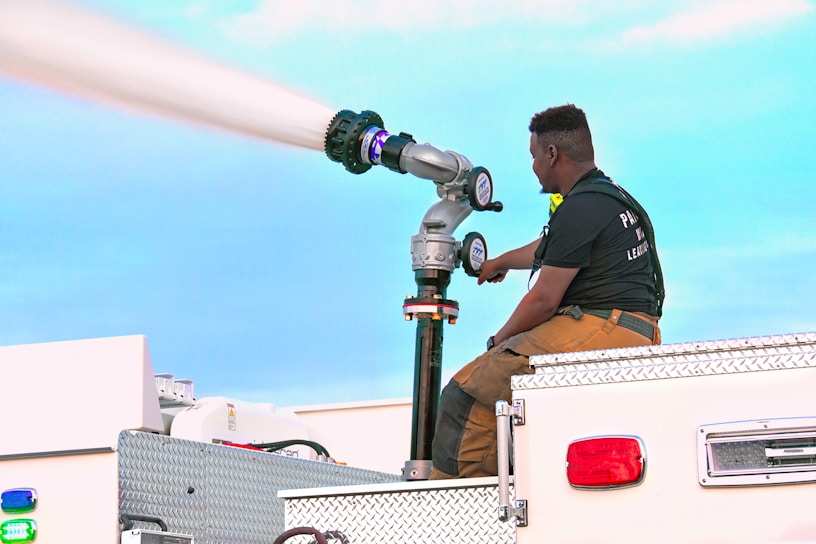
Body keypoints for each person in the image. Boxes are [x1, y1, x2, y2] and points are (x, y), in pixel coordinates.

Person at [429, 104, 664, 479]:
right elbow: (550, 247)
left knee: (465, 395)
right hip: (633, 327)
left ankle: (456, 509)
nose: (534, 166)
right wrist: (500, 261)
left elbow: (543, 300)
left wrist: (498, 341)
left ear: (552, 153)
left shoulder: (582, 206)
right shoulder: (607, 196)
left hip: (604, 324)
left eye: (534, 155)